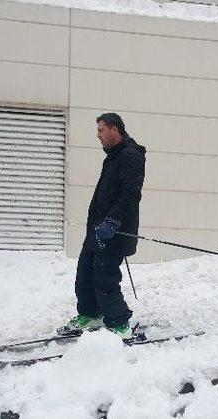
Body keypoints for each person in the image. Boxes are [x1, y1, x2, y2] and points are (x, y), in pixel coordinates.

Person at [61, 113, 146, 339]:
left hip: (115, 232)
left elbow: (130, 195)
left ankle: (119, 323)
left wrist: (111, 222)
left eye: (101, 130)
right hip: (98, 231)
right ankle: (91, 313)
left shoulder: (131, 156)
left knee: (105, 277)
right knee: (85, 273)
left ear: (114, 130)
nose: (97, 135)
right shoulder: (114, 156)